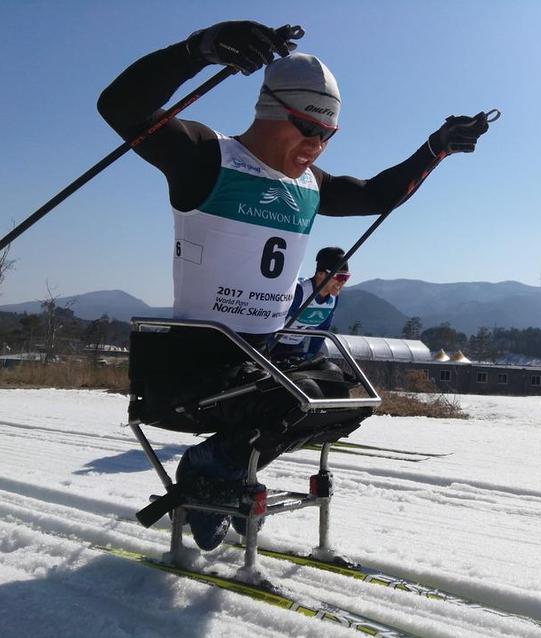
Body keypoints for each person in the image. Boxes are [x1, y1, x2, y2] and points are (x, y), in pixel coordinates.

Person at [98, 19, 491, 550]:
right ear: (268, 110)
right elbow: (120, 106)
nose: (316, 145)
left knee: (342, 396)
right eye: (307, 128)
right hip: (193, 365)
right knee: (293, 398)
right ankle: (215, 469)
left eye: (327, 135)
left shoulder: (310, 186)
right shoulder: (206, 157)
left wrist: (434, 148)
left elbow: (377, 193)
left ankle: (225, 468)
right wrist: (200, 50)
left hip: (261, 360)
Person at [272, 246, 350, 361]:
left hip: (296, 349)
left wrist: (311, 357)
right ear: (320, 274)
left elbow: (321, 331)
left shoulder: (333, 299)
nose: (342, 282)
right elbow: (273, 322)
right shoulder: (300, 292)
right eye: (340, 276)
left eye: (346, 277)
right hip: (272, 346)